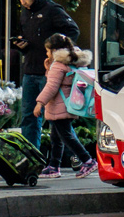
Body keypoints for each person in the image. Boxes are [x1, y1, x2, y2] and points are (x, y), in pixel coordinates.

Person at [13, 0, 79, 150]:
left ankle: (77, 156)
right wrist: (22, 45)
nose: (23, 3)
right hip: (30, 69)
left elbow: (73, 31)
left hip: (50, 72)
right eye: (20, 0)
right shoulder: (25, 13)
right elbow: (29, 38)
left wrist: (59, 55)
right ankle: (32, 156)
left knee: (57, 117)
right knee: (28, 116)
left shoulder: (52, 10)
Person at [32, 34, 97, 179]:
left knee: (66, 136)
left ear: (55, 50)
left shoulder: (58, 64)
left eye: (48, 51)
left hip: (59, 105)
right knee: (56, 137)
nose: (47, 53)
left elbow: (51, 87)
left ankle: (88, 160)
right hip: (71, 102)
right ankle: (54, 166)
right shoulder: (74, 61)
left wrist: (39, 103)